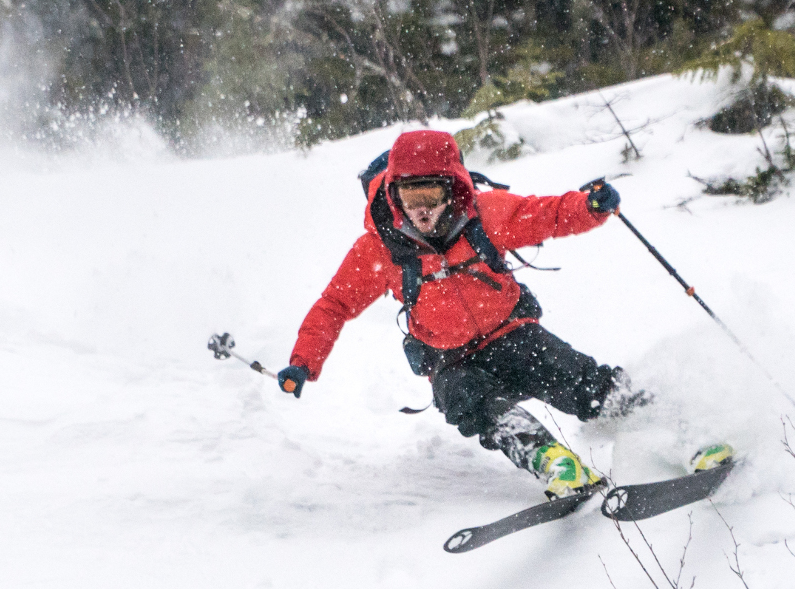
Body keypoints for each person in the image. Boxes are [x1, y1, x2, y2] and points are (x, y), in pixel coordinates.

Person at [276, 128, 646, 498]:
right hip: (449, 359)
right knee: (465, 399)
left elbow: (544, 215)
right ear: (393, 193)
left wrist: (589, 207)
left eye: (431, 195)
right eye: (410, 195)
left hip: (509, 332)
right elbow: (334, 305)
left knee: (565, 371)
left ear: (452, 188)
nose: (421, 209)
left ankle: (657, 420)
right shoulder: (380, 248)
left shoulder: (485, 215)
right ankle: (550, 460)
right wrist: (304, 361)